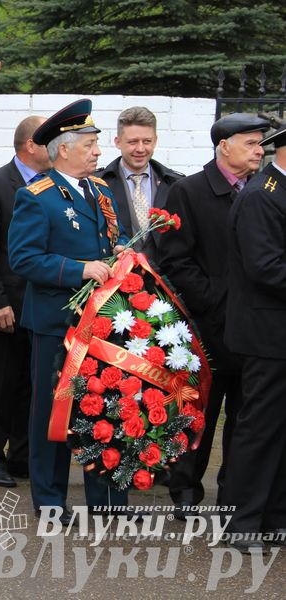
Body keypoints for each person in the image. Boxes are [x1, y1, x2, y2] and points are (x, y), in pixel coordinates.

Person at [8, 99, 130, 524]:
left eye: (97, 144)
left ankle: (108, 503)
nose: (99, 152)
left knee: (103, 407)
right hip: (56, 324)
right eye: (91, 145)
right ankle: (50, 504)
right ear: (64, 149)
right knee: (53, 414)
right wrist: (80, 270)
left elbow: (117, 239)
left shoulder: (101, 191)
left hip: (101, 323)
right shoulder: (36, 196)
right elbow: (22, 259)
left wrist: (120, 253)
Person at [155, 113, 268, 519]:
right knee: (198, 410)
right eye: (251, 143)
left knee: (247, 415)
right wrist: (216, 305)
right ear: (223, 145)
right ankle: (185, 487)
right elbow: (176, 258)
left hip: (254, 326)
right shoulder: (189, 190)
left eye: (261, 143)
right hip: (207, 324)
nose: (259, 150)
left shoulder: (262, 190)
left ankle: (234, 492)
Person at [0, 115, 49, 488]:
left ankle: (21, 456)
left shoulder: (53, 187)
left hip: (39, 308)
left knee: (30, 386)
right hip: (2, 306)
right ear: (30, 145)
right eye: (50, 140)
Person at [224, 125, 286, 554]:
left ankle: (275, 519)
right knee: (259, 429)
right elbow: (265, 266)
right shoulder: (263, 193)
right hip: (267, 333)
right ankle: (242, 523)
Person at [95, 106, 183, 258]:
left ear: (155, 141)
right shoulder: (97, 184)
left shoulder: (176, 184)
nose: (140, 148)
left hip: (165, 278)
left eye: (147, 141)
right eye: (133, 142)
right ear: (117, 142)